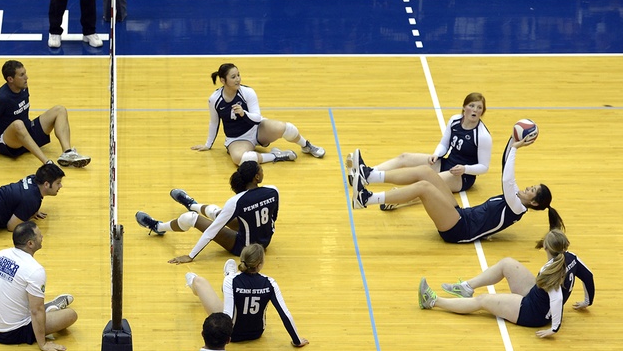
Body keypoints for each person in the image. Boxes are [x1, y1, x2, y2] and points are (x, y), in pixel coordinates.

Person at [351, 133, 564, 245]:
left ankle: (367, 199)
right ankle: (369, 174)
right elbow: (505, 163)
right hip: (460, 214)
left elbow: (507, 177)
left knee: (423, 188)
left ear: (534, 202)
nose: (527, 188)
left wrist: (515, 148)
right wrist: (513, 140)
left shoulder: (517, 206)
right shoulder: (517, 197)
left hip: (459, 230)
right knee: (428, 174)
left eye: (532, 190)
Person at [418, 230, 595, 338]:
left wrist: (554, 328)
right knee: (507, 264)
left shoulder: (548, 272)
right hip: (537, 297)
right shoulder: (571, 258)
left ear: (547, 248)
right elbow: (589, 276)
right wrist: (588, 301)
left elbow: (556, 299)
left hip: (532, 313)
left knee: (483, 300)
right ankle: (466, 287)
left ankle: (432, 301)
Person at [351, 92, 492, 211]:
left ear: (482, 112)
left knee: (425, 185)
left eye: (479, 108)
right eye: (471, 106)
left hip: (462, 176)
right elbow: (445, 143)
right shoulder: (455, 120)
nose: (475, 110)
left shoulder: (482, 136)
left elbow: (484, 167)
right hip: (447, 162)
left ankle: (394, 199)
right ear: (464, 107)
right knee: (405, 157)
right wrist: (437, 154)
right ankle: (368, 173)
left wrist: (465, 169)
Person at [136, 160, 279, 264]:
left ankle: (158, 227)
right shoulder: (273, 190)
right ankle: (193, 204)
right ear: (257, 177)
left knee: (191, 218)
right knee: (218, 214)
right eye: (261, 169)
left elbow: (212, 230)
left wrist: (191, 256)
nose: (262, 171)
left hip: (246, 248)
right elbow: (273, 218)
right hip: (264, 241)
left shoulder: (236, 201)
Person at [0, 222, 78, 351]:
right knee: (71, 315)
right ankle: (51, 309)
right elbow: (36, 310)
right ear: (30, 244)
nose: (42, 236)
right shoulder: (35, 270)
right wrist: (43, 344)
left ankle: (49, 309)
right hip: (11, 333)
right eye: (39, 235)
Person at [192, 63, 324, 167]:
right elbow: (214, 122)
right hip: (237, 139)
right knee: (241, 159)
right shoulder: (214, 99)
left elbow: (256, 118)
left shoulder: (247, 92)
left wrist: (244, 113)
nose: (238, 79)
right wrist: (208, 145)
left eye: (238, 75)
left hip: (257, 129)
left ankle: (306, 146)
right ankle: (277, 156)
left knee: (287, 128)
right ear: (222, 80)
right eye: (233, 77)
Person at [0, 60, 91, 169]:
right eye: (22, 75)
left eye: (25, 73)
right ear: (10, 79)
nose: (26, 77)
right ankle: (47, 163)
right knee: (18, 124)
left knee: (60, 110)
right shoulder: (0, 98)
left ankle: (68, 153)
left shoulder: (23, 87)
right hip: (8, 143)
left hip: (27, 131)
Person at [185, 244, 308, 347]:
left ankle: (223, 275)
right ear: (260, 264)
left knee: (198, 281)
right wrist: (297, 341)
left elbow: (228, 314)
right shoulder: (270, 283)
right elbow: (284, 314)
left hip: (232, 334)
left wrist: (219, 343)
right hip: (257, 333)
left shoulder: (232, 282)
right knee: (229, 288)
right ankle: (230, 274)